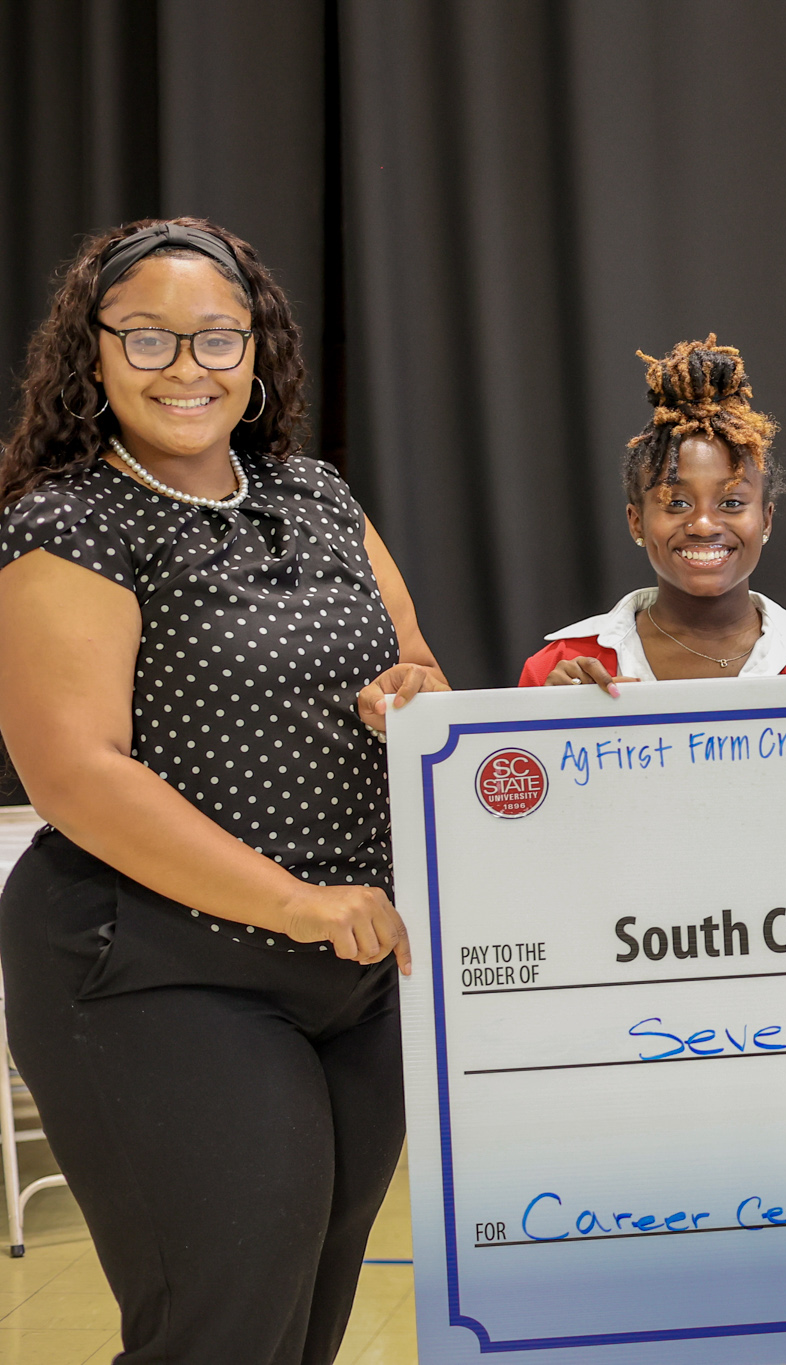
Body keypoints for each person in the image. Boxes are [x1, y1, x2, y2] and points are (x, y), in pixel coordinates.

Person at [0, 218, 446, 1362]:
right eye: (147, 338)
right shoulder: (69, 522)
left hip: (350, 977)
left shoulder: (318, 494)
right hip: (155, 967)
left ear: (256, 349)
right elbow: (75, 774)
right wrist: (296, 903)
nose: (186, 367)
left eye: (216, 337)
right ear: (93, 350)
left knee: (305, 1327)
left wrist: (410, 692)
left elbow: (417, 666)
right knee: (226, 1331)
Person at [520, 336, 786, 689]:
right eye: (677, 503)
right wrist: (554, 715)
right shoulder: (561, 670)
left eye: (731, 503)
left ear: (766, 520)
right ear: (636, 522)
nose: (703, 525)